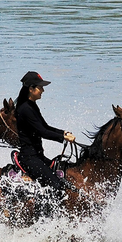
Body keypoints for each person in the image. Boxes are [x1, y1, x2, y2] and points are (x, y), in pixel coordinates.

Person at [14, 71, 76, 200]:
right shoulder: (25, 109)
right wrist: (63, 138)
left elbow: (45, 127)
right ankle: (44, 218)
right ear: (31, 89)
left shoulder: (31, 106)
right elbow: (42, 132)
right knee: (56, 185)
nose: (43, 90)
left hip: (38, 156)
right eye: (40, 87)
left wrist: (63, 132)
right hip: (30, 158)